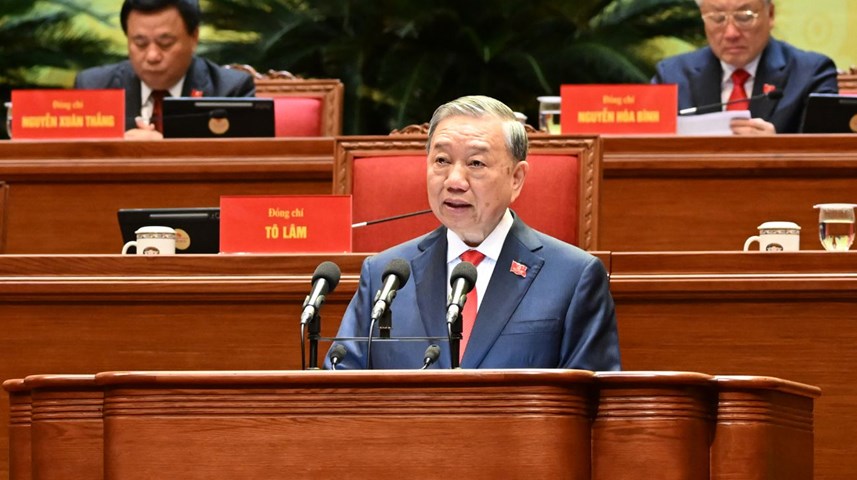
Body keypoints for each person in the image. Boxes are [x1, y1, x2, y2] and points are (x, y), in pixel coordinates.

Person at [325, 95, 621, 370]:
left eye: (476, 163)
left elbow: (591, 404)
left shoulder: (573, 277)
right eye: (441, 161)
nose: (454, 180)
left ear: (516, 178)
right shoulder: (384, 275)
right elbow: (339, 387)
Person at [73, 0, 255, 139]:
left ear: (194, 37)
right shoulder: (93, 87)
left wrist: (166, 152)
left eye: (165, 43)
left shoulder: (230, 91)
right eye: (140, 43)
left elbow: (240, 166)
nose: (152, 56)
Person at [653, 0, 838, 135]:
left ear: (770, 14)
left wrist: (778, 150)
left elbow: (826, 154)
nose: (731, 33)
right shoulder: (672, 76)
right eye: (717, 18)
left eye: (744, 17)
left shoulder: (811, 74)